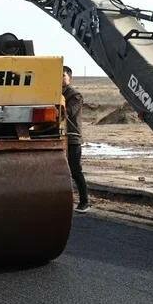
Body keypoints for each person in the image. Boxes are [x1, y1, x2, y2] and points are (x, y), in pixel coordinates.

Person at [62, 65, 89, 213]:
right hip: (59, 136)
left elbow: (69, 112)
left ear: (69, 78)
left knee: (75, 170)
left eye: (63, 76)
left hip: (72, 137)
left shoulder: (75, 95)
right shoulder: (56, 93)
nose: (60, 79)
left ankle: (84, 202)